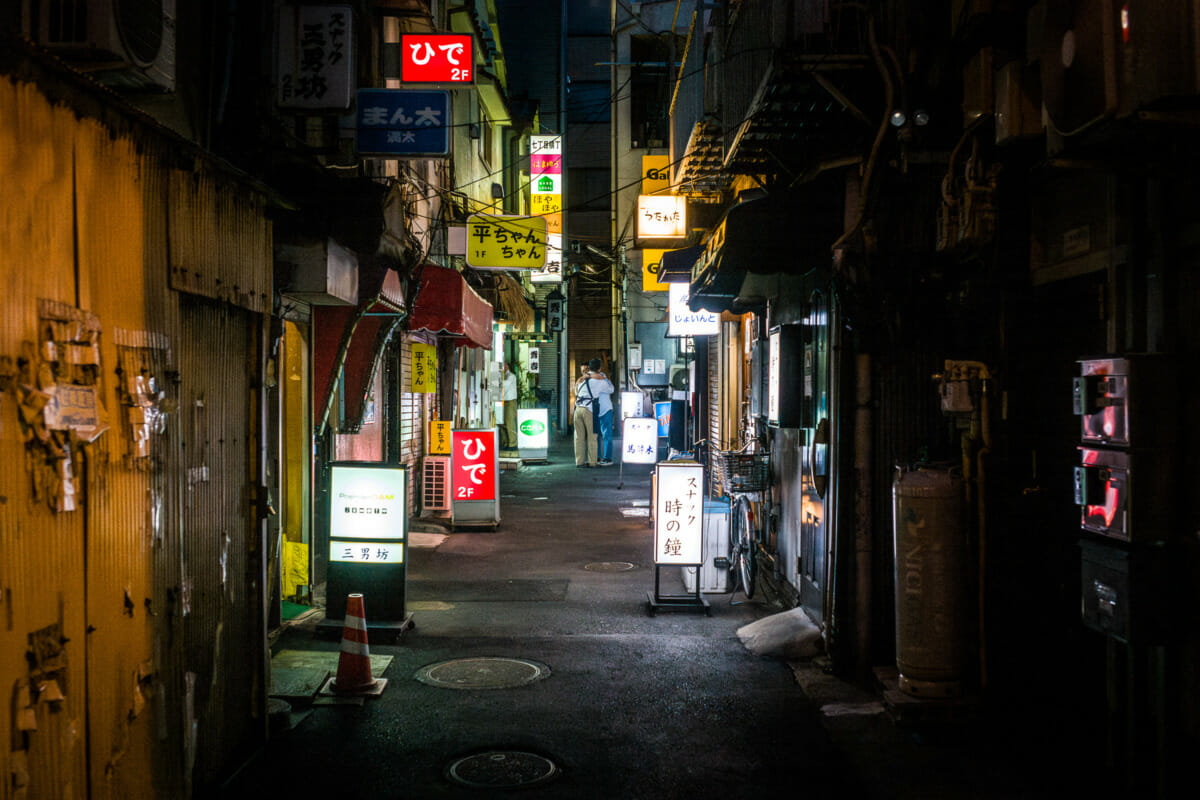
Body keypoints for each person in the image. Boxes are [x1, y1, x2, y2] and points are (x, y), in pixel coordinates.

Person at [584, 358, 615, 465]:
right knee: (607, 435)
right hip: (606, 409)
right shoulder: (602, 379)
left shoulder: (586, 379)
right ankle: (607, 459)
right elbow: (611, 389)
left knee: (595, 435)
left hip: (593, 409)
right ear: (599, 368)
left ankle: (596, 457)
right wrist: (607, 379)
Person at [573, 365, 597, 467]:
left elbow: (575, 392)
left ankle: (579, 462)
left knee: (578, 437)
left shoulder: (579, 381)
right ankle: (592, 462)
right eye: (583, 370)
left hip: (578, 409)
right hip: (588, 409)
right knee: (592, 437)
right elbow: (610, 389)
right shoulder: (596, 380)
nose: (585, 372)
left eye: (586, 370)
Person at [501, 362, 518, 451]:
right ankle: (505, 442)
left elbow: (505, 386)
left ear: (507, 366)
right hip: (503, 401)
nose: (503, 367)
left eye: (504, 365)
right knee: (502, 422)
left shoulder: (511, 376)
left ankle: (512, 444)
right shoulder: (504, 376)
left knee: (510, 422)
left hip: (510, 401)